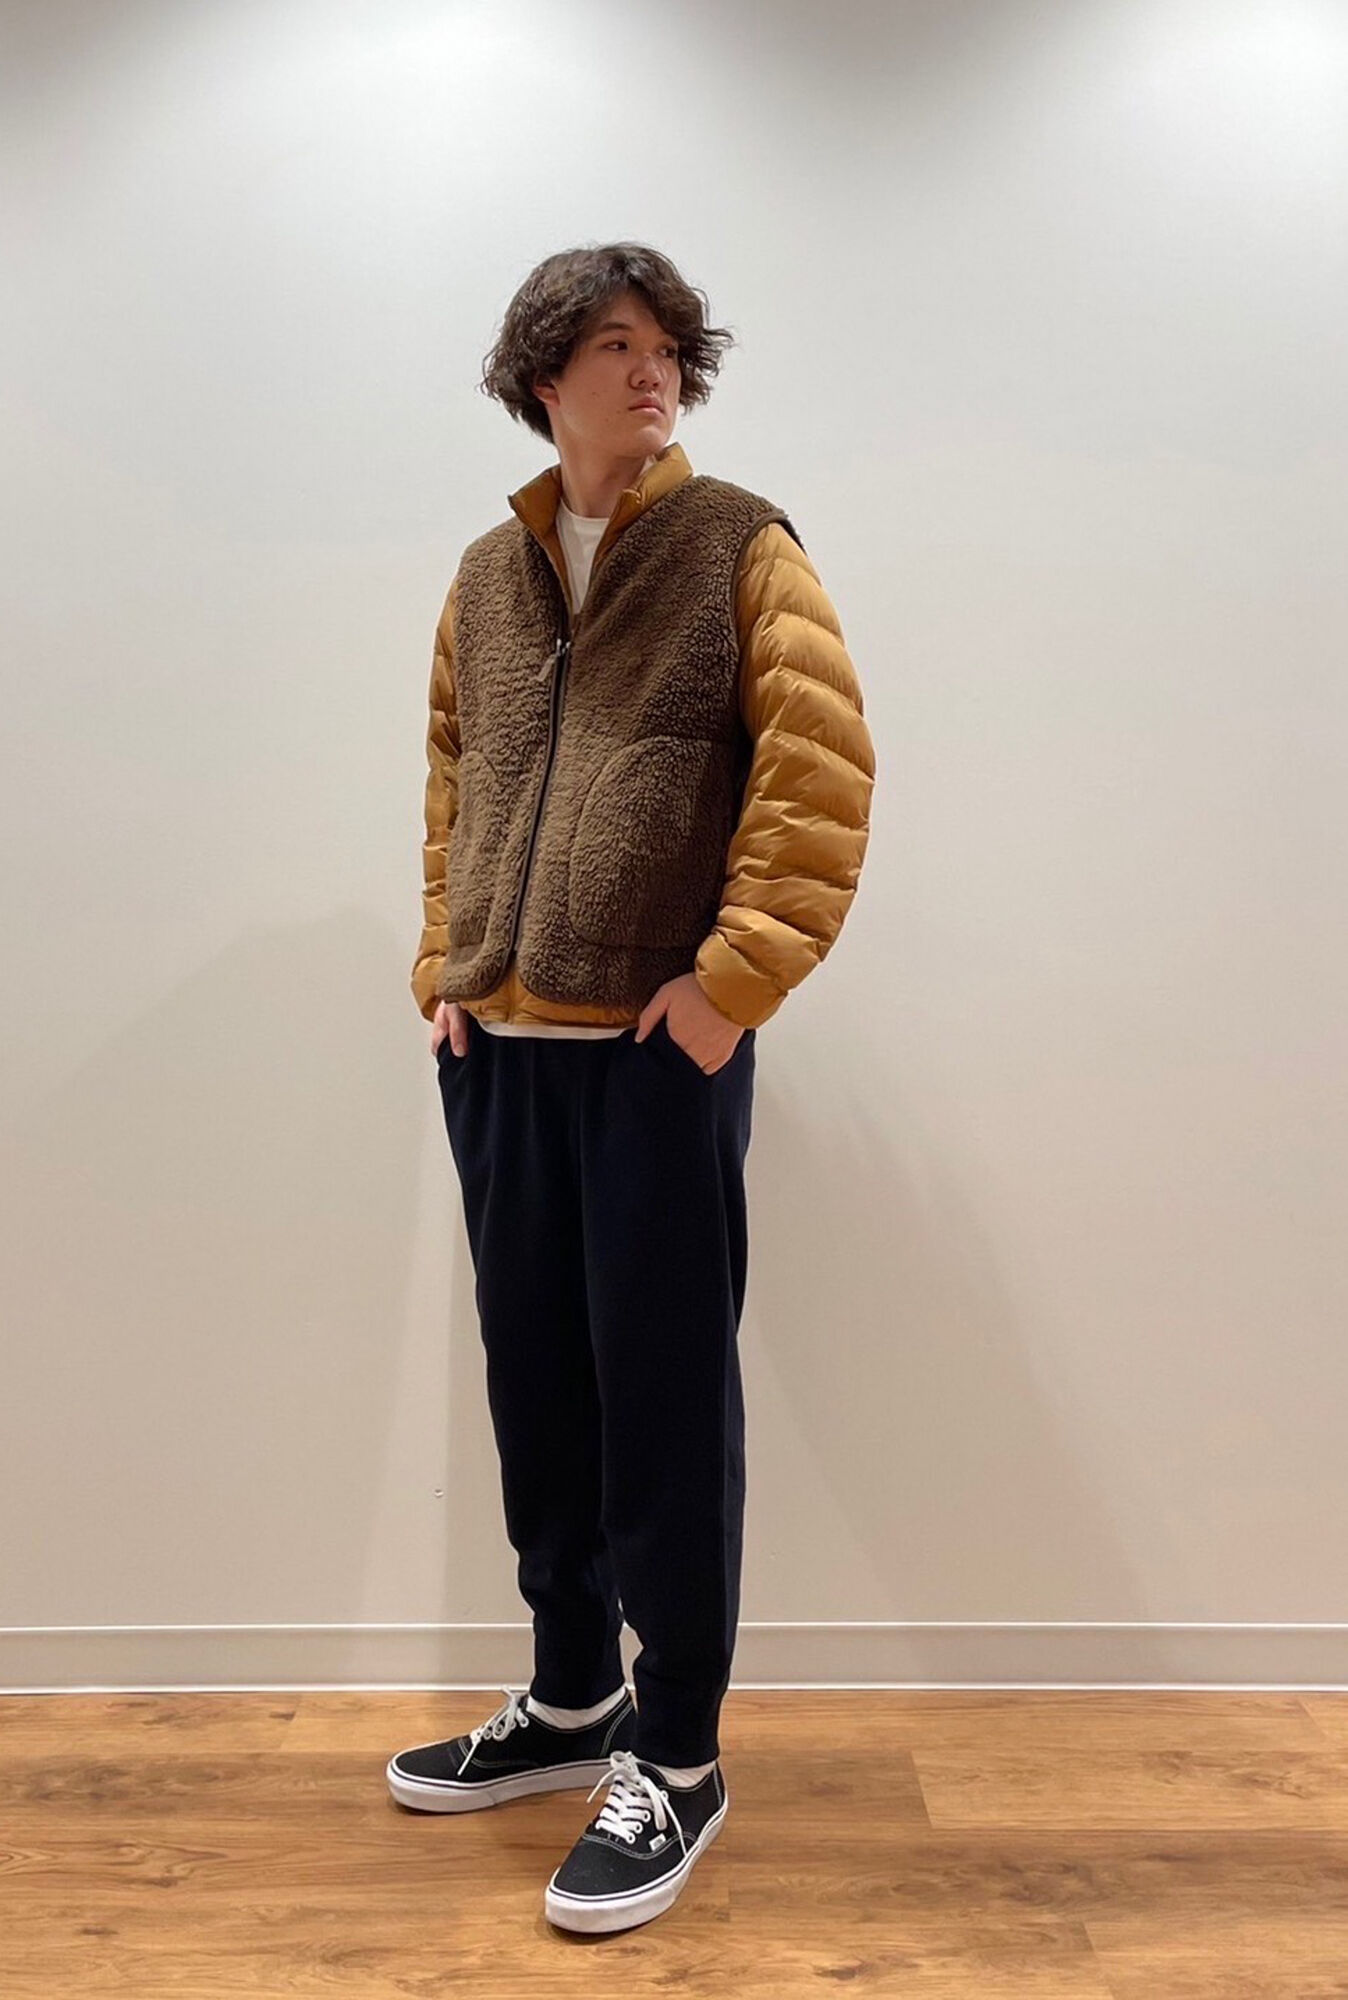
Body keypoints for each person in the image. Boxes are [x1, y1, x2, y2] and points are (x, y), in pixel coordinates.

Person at [388, 242, 875, 1935]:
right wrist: (445, 970)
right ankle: (573, 1691)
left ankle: (676, 1754)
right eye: (611, 343)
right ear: (545, 377)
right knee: (540, 1390)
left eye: (667, 344)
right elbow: (453, 779)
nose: (650, 369)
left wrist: (732, 990)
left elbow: (817, 772)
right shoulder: (486, 576)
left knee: (663, 1407)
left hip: (656, 1065)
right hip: (501, 1055)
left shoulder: (741, 543)